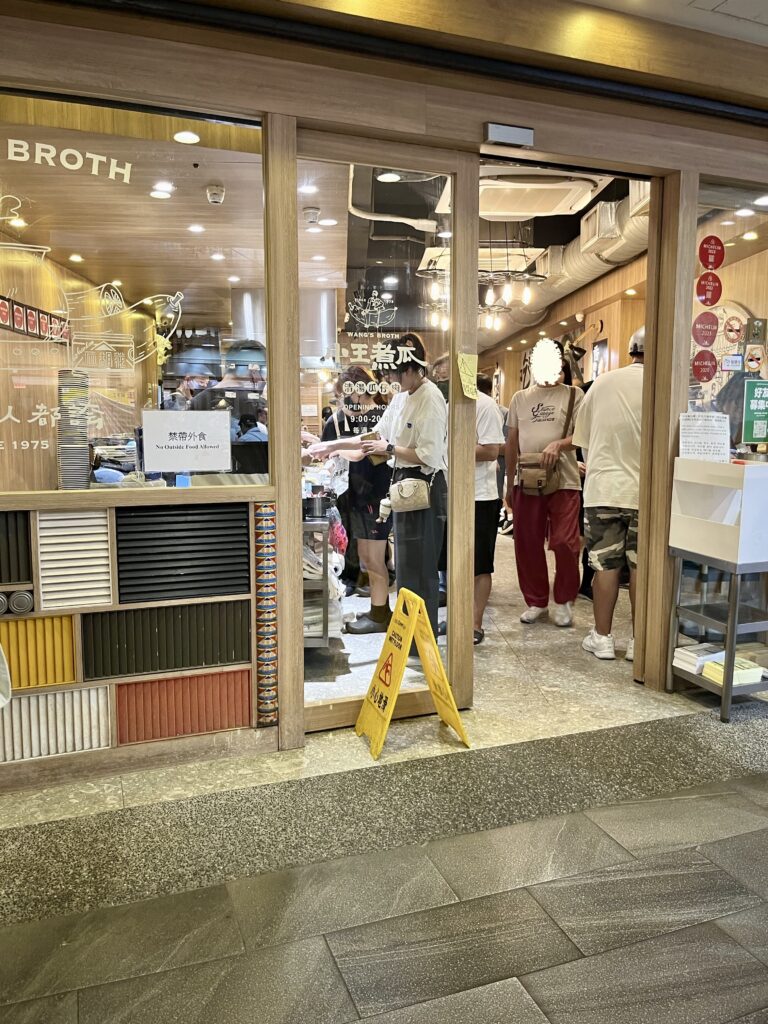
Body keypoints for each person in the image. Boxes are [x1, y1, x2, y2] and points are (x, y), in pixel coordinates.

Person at [313, 334, 447, 634]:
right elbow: (374, 435)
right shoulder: (401, 398)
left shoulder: (431, 397)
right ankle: (408, 632)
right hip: (403, 486)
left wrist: (389, 449)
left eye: (393, 373)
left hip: (424, 487)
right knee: (407, 566)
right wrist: (332, 445)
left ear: (411, 368)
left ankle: (422, 636)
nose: (389, 380)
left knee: (421, 566)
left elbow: (430, 455)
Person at [573, 326, 645, 661]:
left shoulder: (602, 383)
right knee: (641, 567)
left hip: (603, 489)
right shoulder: (665, 384)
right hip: (645, 493)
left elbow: (583, 441)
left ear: (631, 350)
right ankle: (639, 642)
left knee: (604, 565)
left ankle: (602, 637)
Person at [505, 341, 583, 627]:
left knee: (565, 541)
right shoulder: (520, 398)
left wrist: (558, 444)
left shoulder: (574, 395)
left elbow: (582, 436)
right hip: (526, 478)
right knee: (527, 542)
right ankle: (536, 600)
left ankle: (564, 598)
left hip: (565, 480)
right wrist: (509, 482)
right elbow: (512, 442)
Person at [312, 366, 393, 632]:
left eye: (343, 394)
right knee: (366, 556)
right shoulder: (354, 417)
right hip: (360, 495)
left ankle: (380, 615)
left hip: (376, 495)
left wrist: (333, 447)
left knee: (374, 559)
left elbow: (362, 452)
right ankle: (378, 610)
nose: (341, 400)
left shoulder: (380, 416)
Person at [472, 374, 505, 644]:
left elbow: (492, 450)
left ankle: (475, 623)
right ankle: (459, 616)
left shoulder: (484, 405)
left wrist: (447, 448)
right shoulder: (444, 404)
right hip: (448, 494)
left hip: (480, 497)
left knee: (480, 564)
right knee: (453, 563)